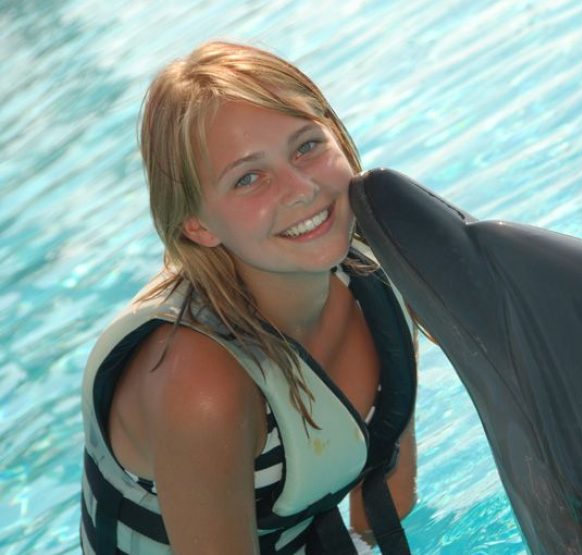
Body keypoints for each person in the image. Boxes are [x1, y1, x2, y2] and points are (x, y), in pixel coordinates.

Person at [80, 41, 419, 555]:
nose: (300, 188)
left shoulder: (384, 270)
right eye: (248, 178)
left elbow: (384, 518)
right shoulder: (200, 385)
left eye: (307, 146)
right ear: (196, 225)